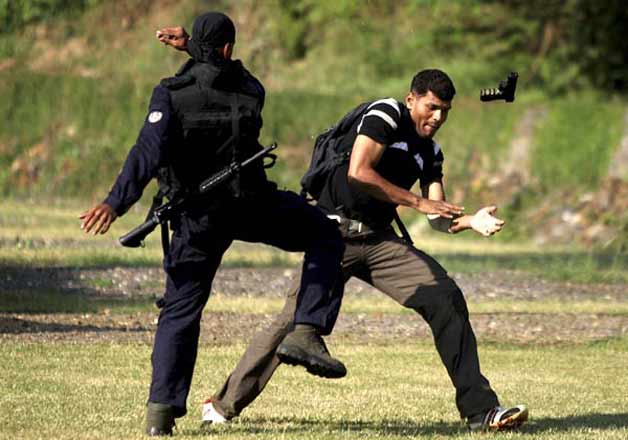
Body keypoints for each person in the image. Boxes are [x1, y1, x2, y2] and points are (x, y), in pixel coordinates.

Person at [192, 69, 529, 432]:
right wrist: (416, 202)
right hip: (331, 234)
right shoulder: (386, 114)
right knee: (292, 323)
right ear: (411, 98)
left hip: (379, 240)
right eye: (431, 107)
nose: (438, 117)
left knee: (446, 298)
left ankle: (481, 411)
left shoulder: (430, 152)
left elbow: (436, 215)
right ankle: (222, 406)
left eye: (445, 111)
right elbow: (359, 172)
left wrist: (470, 221)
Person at [80, 11, 349, 436]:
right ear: (227, 49)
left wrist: (116, 202)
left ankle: (161, 414)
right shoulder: (252, 91)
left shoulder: (171, 94)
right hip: (250, 205)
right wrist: (195, 46)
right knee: (325, 233)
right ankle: (306, 329)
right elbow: (228, 72)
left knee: (181, 309)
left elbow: (145, 154)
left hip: (196, 217)